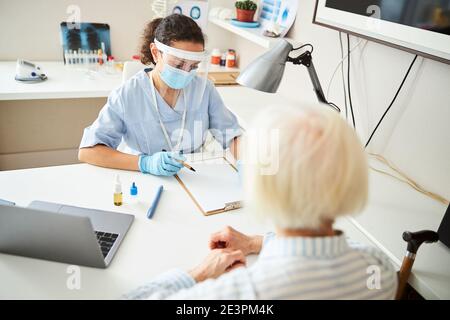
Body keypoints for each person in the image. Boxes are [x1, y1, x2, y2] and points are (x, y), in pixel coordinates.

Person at [123, 103, 398, 300]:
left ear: (260, 186)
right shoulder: (380, 270)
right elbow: (341, 249)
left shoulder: (244, 292)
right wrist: (256, 242)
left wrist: (198, 273)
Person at [78, 14, 242, 176]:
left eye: (193, 66)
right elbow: (88, 151)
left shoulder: (204, 90)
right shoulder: (127, 94)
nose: (186, 72)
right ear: (156, 53)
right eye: (178, 64)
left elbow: (232, 136)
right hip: (141, 178)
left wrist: (247, 163)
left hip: (191, 179)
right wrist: (145, 163)